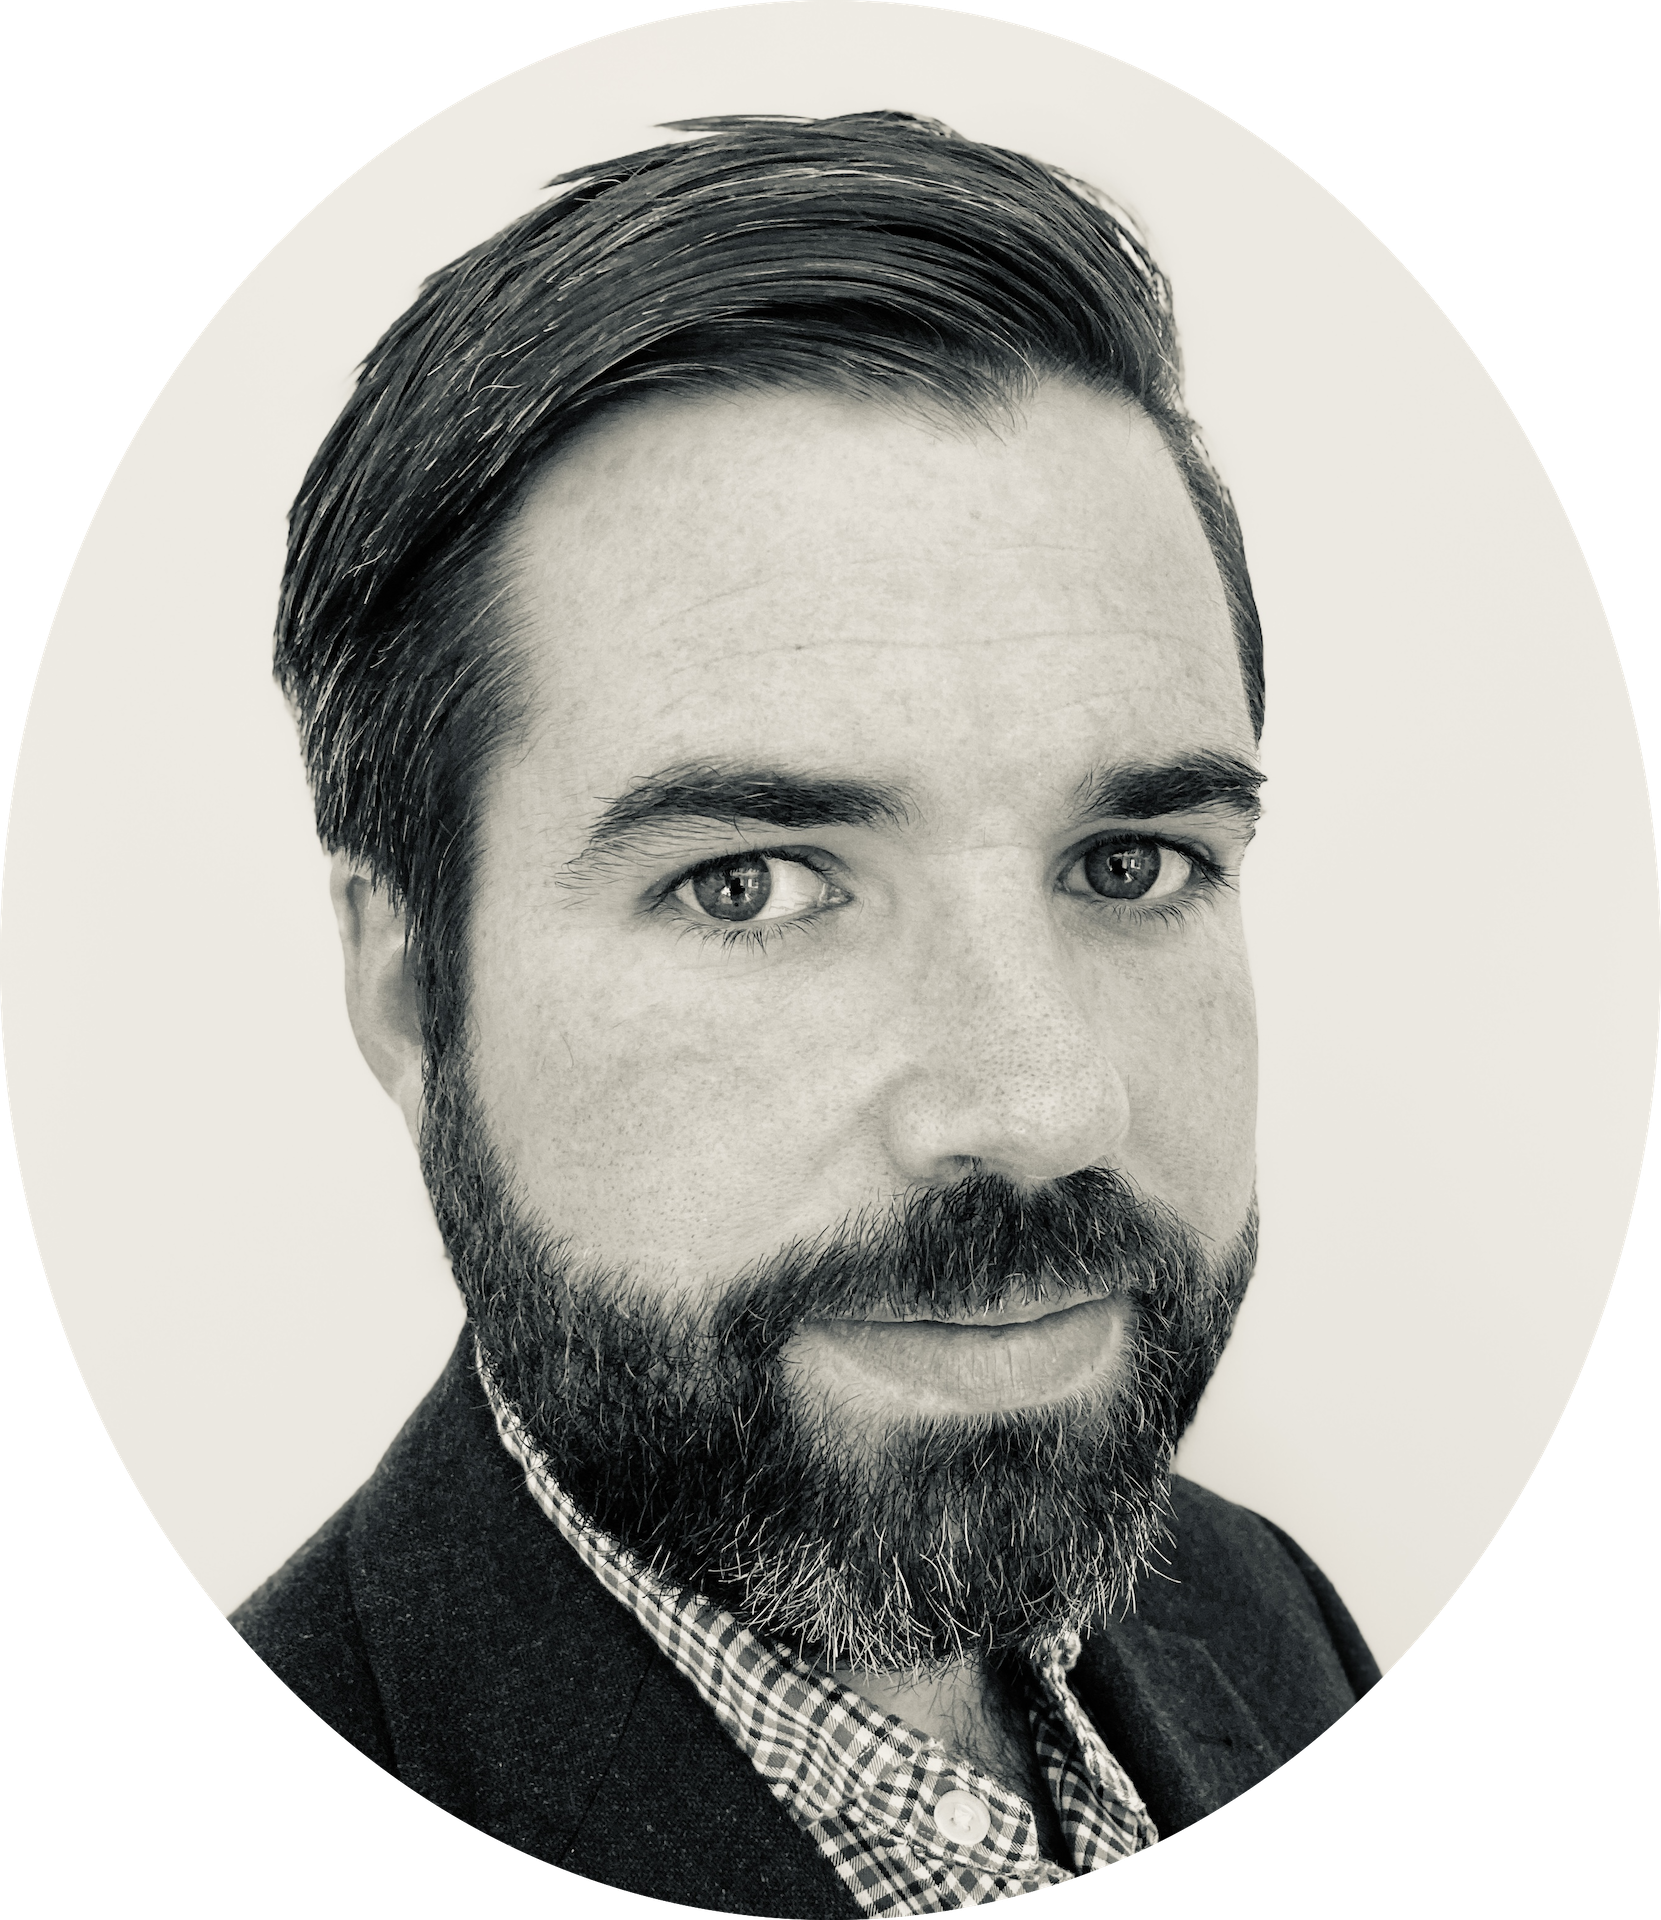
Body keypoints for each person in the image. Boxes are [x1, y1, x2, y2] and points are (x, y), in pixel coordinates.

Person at [233, 110, 1379, 1914]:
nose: (1040, 1105)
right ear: (405, 980)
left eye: (1131, 862)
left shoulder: (1262, 1617)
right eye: (752, 883)